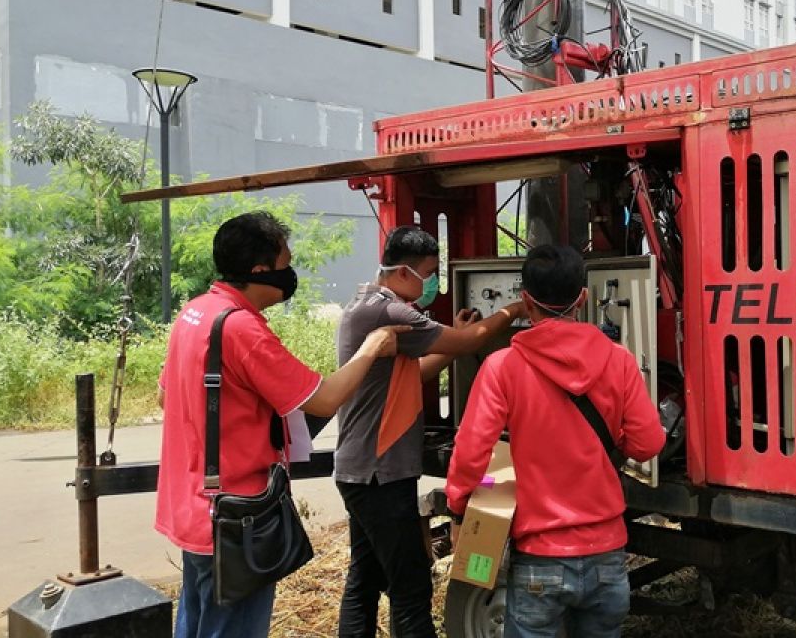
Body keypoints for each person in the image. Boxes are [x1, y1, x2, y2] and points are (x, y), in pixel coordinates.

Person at [155, 211, 409, 638]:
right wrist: (372, 346)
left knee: (197, 622)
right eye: (285, 265)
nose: (291, 274)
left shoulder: (195, 313)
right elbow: (325, 397)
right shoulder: (242, 330)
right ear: (258, 271)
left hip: (194, 507)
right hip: (234, 517)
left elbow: (167, 395)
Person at [445, 245, 666, 638]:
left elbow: (472, 450)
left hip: (540, 560)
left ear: (526, 301)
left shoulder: (503, 367)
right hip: (607, 556)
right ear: (583, 297)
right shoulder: (619, 360)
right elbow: (647, 443)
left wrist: (460, 509)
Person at [334, 225, 527, 638]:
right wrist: (512, 310)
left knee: (365, 577)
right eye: (429, 272)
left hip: (364, 470)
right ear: (403, 272)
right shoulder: (388, 311)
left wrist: (448, 340)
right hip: (380, 473)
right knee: (411, 585)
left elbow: (414, 371)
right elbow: (468, 339)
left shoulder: (368, 303)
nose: (433, 283)